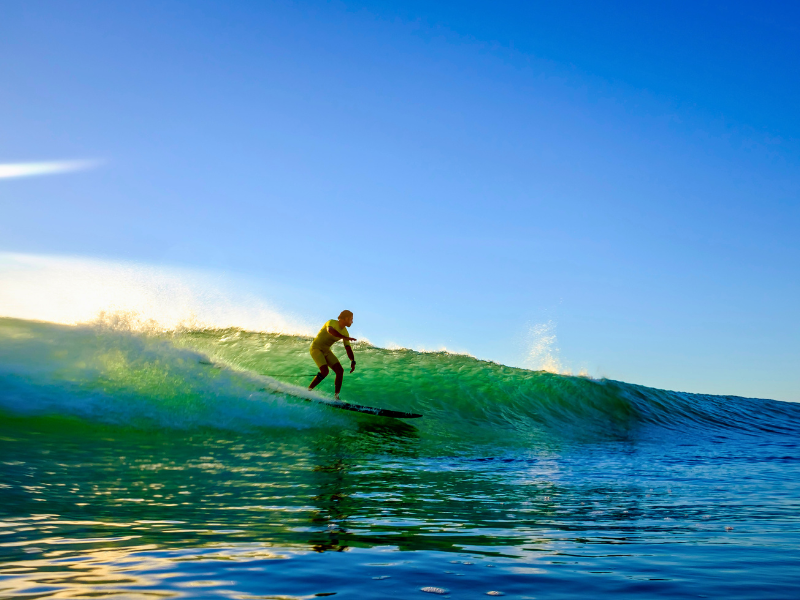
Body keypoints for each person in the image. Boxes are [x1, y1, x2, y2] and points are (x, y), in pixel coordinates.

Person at [308, 310, 357, 401]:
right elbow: (330, 331)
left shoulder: (345, 332)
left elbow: (348, 348)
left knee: (340, 371)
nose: (352, 321)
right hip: (316, 348)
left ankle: (336, 397)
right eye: (351, 319)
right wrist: (345, 337)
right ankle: (308, 391)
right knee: (324, 371)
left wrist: (352, 360)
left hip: (326, 350)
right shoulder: (331, 322)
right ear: (346, 318)